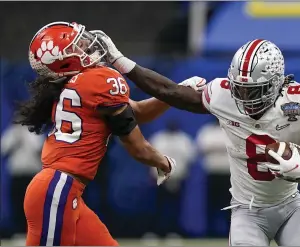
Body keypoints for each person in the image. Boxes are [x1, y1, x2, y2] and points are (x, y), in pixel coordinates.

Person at [96, 34, 300, 246]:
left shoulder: (299, 102)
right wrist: (120, 61)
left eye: (252, 90)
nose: (242, 96)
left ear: (275, 84)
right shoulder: (223, 95)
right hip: (247, 210)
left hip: (290, 204)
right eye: (239, 88)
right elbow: (169, 92)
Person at [15, 21, 206, 246]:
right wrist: (163, 161)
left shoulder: (76, 86)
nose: (88, 45)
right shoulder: (98, 81)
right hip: (58, 190)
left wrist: (177, 91)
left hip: (62, 190)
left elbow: (139, 113)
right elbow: (138, 148)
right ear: (65, 60)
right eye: (79, 45)